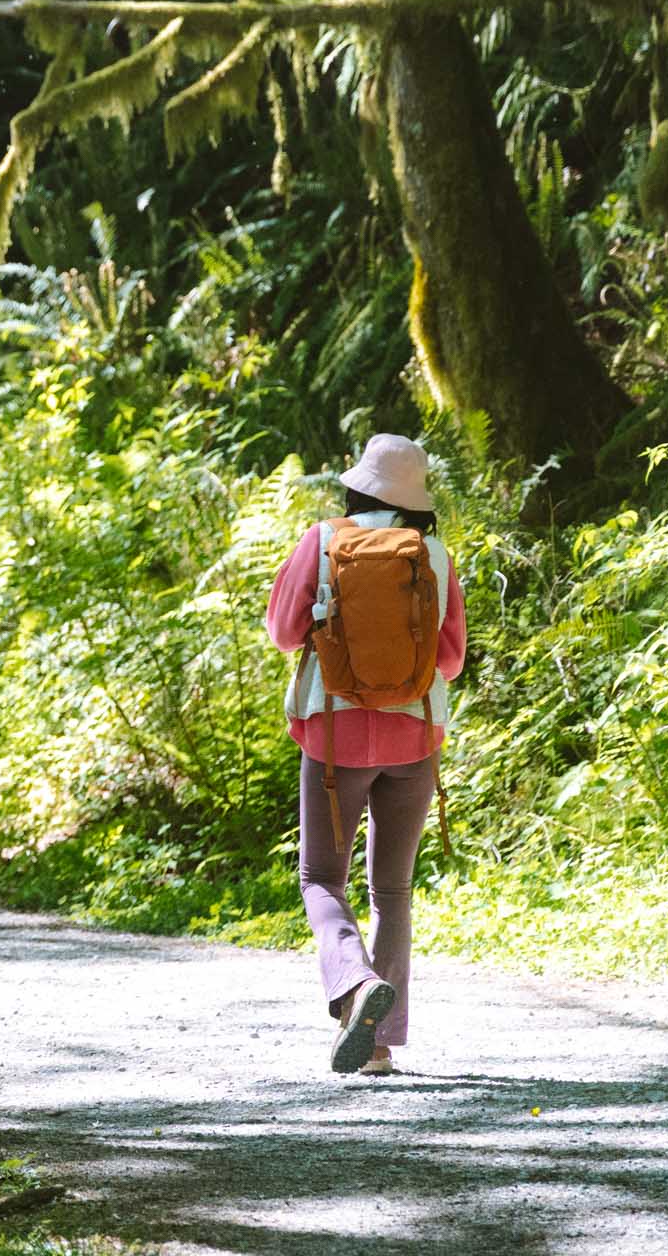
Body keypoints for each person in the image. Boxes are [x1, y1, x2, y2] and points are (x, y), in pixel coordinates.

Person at [264, 432, 465, 1075]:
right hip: (415, 738)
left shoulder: (322, 541)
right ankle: (379, 1045)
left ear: (357, 487)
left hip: (334, 733)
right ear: (416, 499)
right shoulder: (434, 554)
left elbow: (282, 632)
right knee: (394, 890)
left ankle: (354, 987)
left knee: (322, 878)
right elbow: (452, 660)